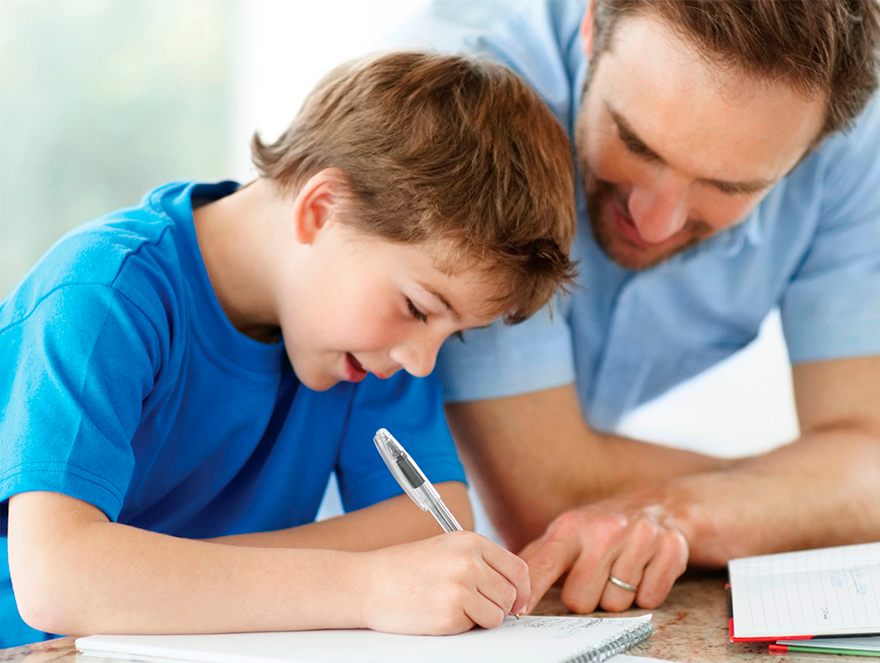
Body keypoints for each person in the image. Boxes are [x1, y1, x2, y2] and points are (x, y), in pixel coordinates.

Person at [0, 51, 576, 646]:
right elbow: (57, 579)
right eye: (420, 309)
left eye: (449, 332)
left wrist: (151, 575)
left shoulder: (375, 345)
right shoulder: (104, 294)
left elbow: (427, 528)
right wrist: (363, 585)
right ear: (323, 209)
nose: (423, 361)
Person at [392, 0, 880, 615]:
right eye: (635, 142)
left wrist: (683, 512)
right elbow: (543, 497)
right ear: (592, 22)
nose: (656, 222)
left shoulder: (847, 140)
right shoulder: (464, 107)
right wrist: (821, 487)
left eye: (727, 187)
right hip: (346, 563)